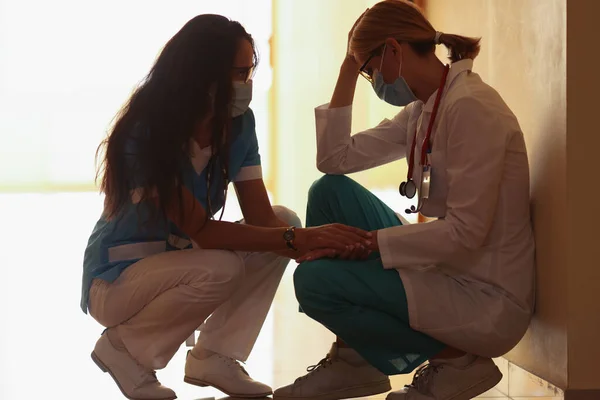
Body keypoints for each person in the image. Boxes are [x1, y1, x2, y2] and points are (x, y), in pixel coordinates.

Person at [81, 14, 372, 400]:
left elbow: (264, 220)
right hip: (117, 281)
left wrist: (309, 246)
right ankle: (125, 350)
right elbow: (201, 229)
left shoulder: (236, 124)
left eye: (249, 71)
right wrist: (297, 239)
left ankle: (215, 355)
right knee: (225, 265)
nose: (246, 84)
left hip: (179, 262)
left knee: (284, 221)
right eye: (237, 73)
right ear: (201, 74)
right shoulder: (146, 132)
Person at [274, 1, 535, 400]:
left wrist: (371, 244)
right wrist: (348, 67)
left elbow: (466, 233)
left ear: (393, 51)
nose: (373, 80)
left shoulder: (471, 108)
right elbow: (333, 160)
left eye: (369, 70)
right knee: (327, 192)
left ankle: (457, 362)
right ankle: (353, 359)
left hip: (484, 296)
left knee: (314, 281)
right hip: (448, 267)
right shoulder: (424, 109)